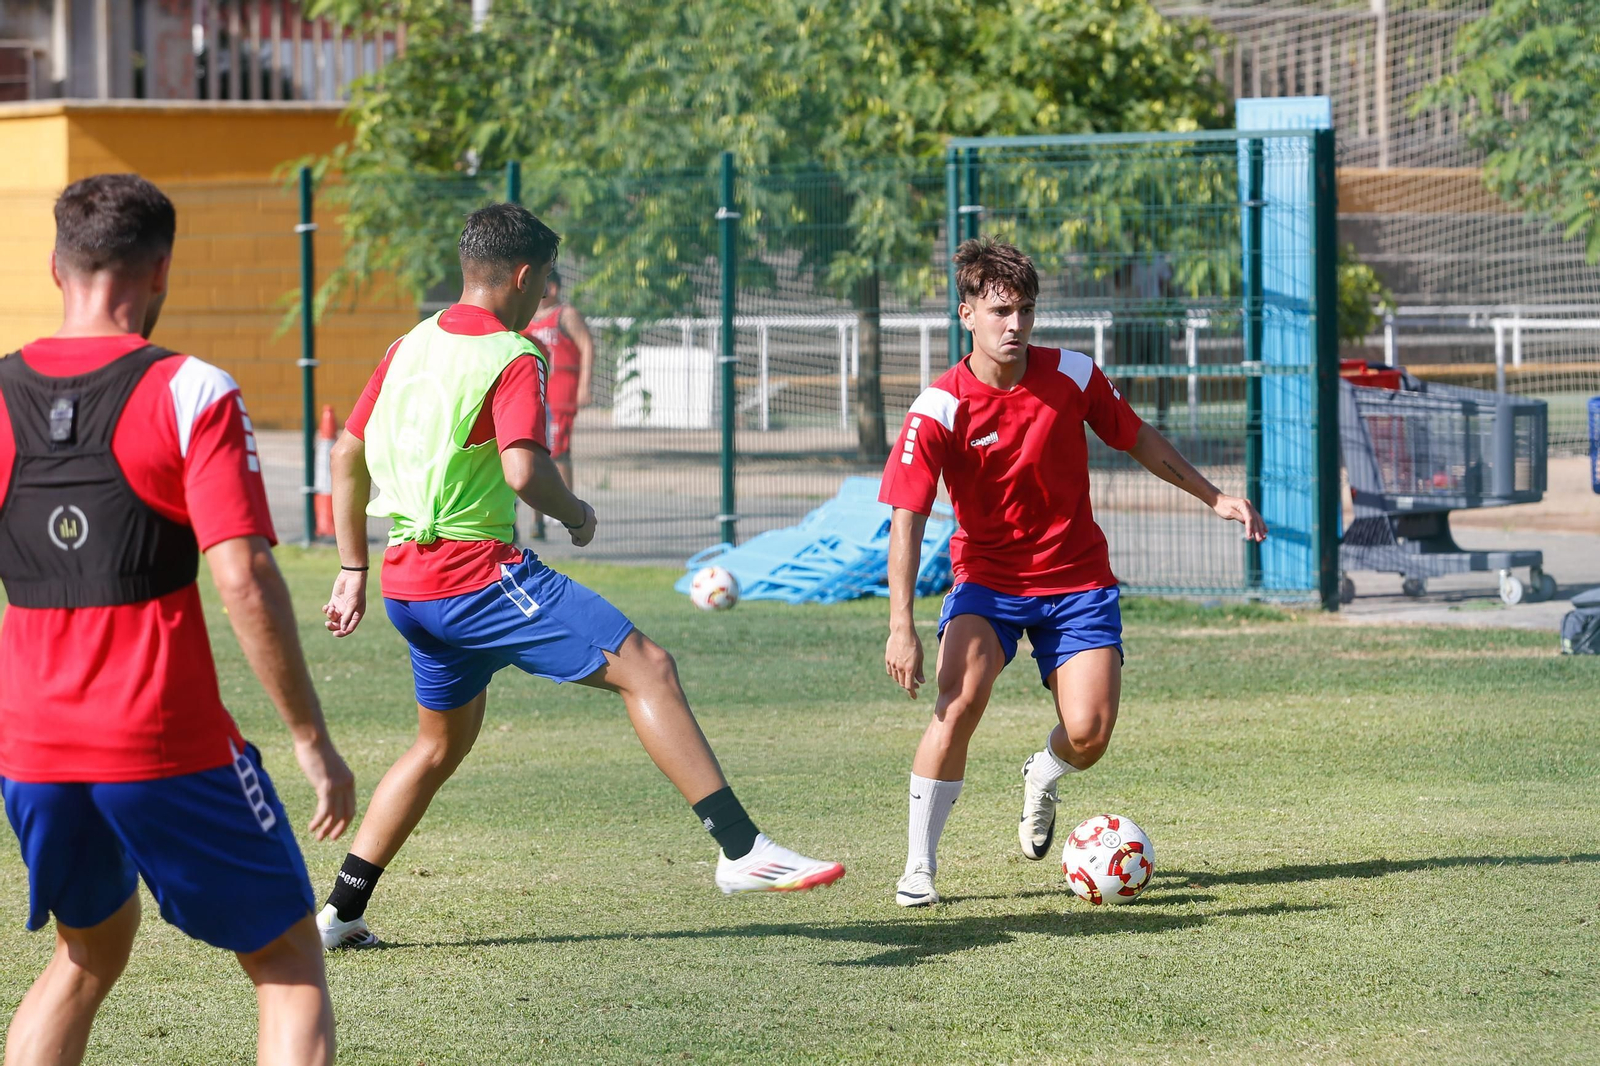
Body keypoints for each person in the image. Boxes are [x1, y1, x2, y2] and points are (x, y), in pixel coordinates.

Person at [316, 203, 844, 950]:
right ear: (526, 277)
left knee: (437, 747)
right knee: (649, 668)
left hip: (408, 585)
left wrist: (350, 568)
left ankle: (340, 913)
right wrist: (575, 513)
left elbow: (345, 454)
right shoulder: (514, 352)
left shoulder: (409, 344)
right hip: (474, 578)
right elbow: (524, 469)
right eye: (545, 284)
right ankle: (741, 850)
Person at [0, 173, 355, 1065]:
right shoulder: (190, 390)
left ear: (55, 266)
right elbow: (241, 574)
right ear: (160, 272)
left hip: (31, 746)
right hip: (164, 741)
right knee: (286, 960)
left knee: (85, 954)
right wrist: (310, 739)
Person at [880, 238, 1267, 907]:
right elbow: (907, 517)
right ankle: (919, 866)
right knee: (957, 703)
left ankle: (1042, 773)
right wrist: (900, 627)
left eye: (1026, 310)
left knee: (1088, 734)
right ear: (966, 312)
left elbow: (1136, 435)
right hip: (989, 582)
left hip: (1077, 578)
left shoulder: (1074, 376)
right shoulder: (939, 406)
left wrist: (1215, 496)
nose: (1016, 325)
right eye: (1000, 310)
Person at [520, 268, 594, 540]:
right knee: (537, 447)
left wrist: (584, 385)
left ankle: (567, 507)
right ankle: (541, 511)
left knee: (559, 448)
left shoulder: (566, 314)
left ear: (551, 288)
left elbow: (586, 344)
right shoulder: (527, 318)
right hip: (537, 391)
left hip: (561, 391)